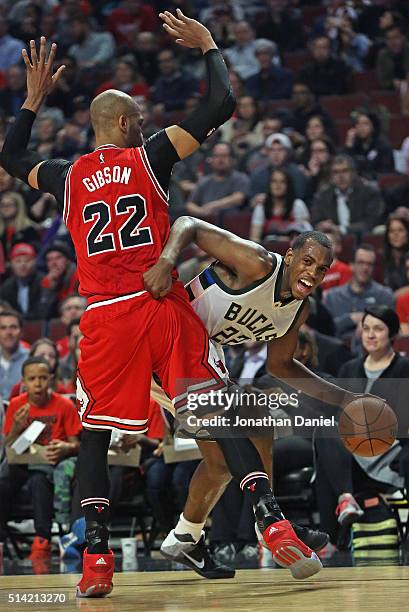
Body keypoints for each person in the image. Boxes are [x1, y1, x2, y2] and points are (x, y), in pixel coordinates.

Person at [0, 16, 319, 595]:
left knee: (95, 433)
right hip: (162, 305)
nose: (146, 123)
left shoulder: (66, 177)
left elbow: (11, 155)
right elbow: (220, 104)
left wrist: (31, 100)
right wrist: (210, 48)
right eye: (140, 119)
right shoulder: (149, 156)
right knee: (215, 415)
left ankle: (96, 557)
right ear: (123, 124)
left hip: (106, 316)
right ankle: (271, 521)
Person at [143, 222, 379, 580]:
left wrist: (348, 399)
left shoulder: (298, 309)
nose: (312, 273)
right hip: (168, 345)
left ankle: (185, 537)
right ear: (289, 257)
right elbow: (188, 225)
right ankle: (269, 520)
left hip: (203, 360)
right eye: (307, 262)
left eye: (321, 269)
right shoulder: (256, 263)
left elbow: (281, 366)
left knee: (225, 460)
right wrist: (166, 260)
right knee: (247, 409)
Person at [315, 306, 409, 546]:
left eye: (378, 329)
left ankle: (331, 537)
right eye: (366, 329)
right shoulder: (348, 369)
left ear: (393, 334)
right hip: (353, 456)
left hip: (387, 455)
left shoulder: (405, 369)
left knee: (328, 456)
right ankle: (346, 501)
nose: (371, 335)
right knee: (323, 431)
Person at [0, 356, 81, 559]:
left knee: (38, 480)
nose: (37, 384)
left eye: (43, 378)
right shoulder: (17, 405)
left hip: (52, 463)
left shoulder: (64, 405)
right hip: (24, 462)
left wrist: (66, 448)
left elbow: (78, 445)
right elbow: (9, 446)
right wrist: (17, 427)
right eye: (32, 378)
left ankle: (42, 540)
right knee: (3, 482)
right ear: (24, 382)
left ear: (51, 380)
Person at [324, 244, 395, 346]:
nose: (365, 268)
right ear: (352, 265)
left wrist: (368, 326)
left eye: (369, 264)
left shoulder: (384, 296)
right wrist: (350, 319)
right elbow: (325, 331)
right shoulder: (332, 297)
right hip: (337, 353)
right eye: (360, 263)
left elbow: (391, 330)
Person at [311, 155, 384, 237]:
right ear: (331, 176)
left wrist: (342, 229)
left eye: (345, 171)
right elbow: (316, 221)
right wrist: (321, 225)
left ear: (353, 173)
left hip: (363, 239)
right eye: (336, 172)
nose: (341, 176)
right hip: (332, 241)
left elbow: (370, 222)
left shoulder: (369, 192)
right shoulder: (322, 196)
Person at [249, 168, 311, 243]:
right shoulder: (261, 207)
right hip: (268, 250)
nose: (278, 185)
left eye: (282, 182)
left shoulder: (297, 205)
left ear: (288, 185)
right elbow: (254, 239)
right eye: (274, 181)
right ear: (269, 185)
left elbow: (306, 237)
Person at [0, 309, 29, 400]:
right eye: (3, 328)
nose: (8, 332)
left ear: (21, 332)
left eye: (13, 327)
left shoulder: (31, 359)